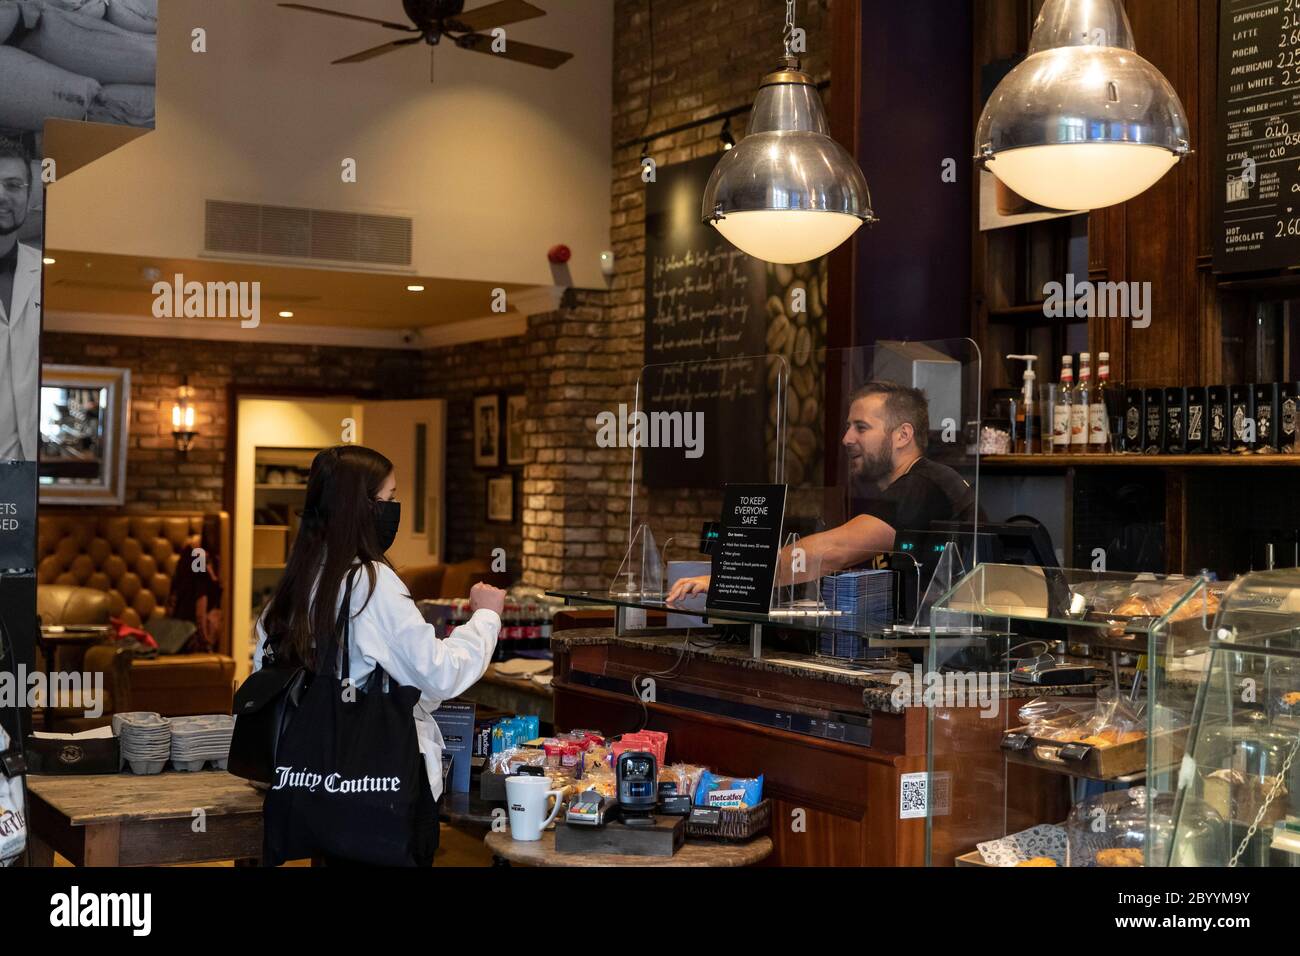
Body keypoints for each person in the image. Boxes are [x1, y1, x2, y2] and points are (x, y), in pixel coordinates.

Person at [252, 444, 504, 863]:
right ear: (358, 507)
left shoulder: (296, 583)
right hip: (380, 794)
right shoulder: (372, 584)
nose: (392, 510)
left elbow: (269, 673)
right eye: (386, 500)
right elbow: (439, 674)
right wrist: (485, 620)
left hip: (314, 787)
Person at [667, 381, 976, 601]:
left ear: (902, 435)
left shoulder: (921, 487)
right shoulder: (914, 484)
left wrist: (730, 580)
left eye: (861, 427)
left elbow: (833, 551)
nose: (846, 438)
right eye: (848, 426)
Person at [0, 136, 40, 462]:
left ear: (29, 197)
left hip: (18, 472)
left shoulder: (43, 273)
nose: (2, 195)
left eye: (13, 185)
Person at [165, 516, 223, 652]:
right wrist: (202, 635)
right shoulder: (198, 553)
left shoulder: (199, 552)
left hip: (185, 622)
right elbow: (200, 595)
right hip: (189, 625)